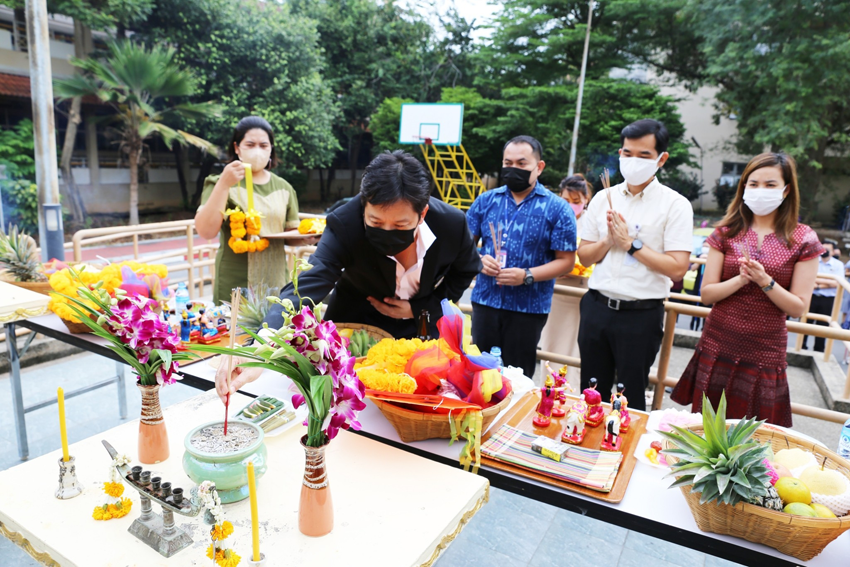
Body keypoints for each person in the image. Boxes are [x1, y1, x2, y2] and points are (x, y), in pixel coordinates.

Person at [671, 153, 822, 426]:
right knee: (705, 430)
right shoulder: (726, 233)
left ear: (786, 189)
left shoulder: (803, 238)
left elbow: (798, 308)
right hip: (718, 342)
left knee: (752, 435)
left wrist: (766, 282)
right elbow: (707, 295)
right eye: (753, 184)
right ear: (743, 188)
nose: (760, 191)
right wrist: (740, 280)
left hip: (764, 352)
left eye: (770, 184)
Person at [577, 119, 693, 411]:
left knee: (629, 398)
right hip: (596, 307)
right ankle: (587, 452)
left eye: (644, 155)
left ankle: (620, 454)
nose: (633, 161)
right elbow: (585, 256)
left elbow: (678, 268)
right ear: (620, 153)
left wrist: (631, 244)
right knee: (591, 393)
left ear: (661, 159)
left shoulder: (675, 204)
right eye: (628, 154)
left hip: (640, 315)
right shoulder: (605, 197)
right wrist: (608, 240)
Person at [466, 136, 577, 378]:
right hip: (486, 301)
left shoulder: (558, 208)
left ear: (539, 167)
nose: (513, 169)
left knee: (517, 376)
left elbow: (566, 261)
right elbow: (464, 246)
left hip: (529, 308)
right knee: (479, 373)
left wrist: (527, 275)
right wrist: (478, 260)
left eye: (521, 164)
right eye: (508, 163)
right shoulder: (486, 201)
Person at [195, 116, 304, 305]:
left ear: (271, 149)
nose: (257, 151)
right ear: (237, 148)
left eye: (263, 145)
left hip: (275, 280)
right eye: (250, 144)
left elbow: (290, 234)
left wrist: (308, 236)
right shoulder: (220, 182)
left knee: (274, 333)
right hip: (235, 282)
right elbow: (206, 231)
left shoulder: (284, 188)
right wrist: (223, 184)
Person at [538, 175, 592, 374]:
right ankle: (549, 388)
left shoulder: (592, 222)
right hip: (556, 287)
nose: (571, 206)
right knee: (551, 342)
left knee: (577, 346)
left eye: (576, 202)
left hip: (582, 288)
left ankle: (573, 393)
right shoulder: (552, 216)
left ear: (586, 200)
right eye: (566, 201)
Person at [802, 239, 844, 352]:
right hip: (811, 297)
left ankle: (819, 351)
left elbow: (837, 283)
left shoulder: (839, 265)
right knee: (805, 324)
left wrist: (818, 285)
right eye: (822, 248)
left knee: (823, 326)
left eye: (827, 249)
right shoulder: (813, 261)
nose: (824, 251)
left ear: (833, 252)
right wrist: (826, 282)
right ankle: (801, 347)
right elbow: (808, 278)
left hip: (828, 300)